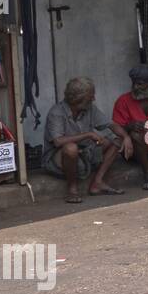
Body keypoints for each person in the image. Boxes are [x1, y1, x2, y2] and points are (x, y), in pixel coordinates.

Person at [43, 76, 133, 204]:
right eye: (91, 96)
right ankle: (72, 189)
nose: (93, 99)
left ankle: (97, 183)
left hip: (84, 153)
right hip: (59, 159)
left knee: (116, 141)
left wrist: (126, 137)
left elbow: (110, 125)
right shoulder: (57, 112)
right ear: (79, 98)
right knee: (70, 148)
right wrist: (88, 134)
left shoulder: (90, 108)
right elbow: (58, 141)